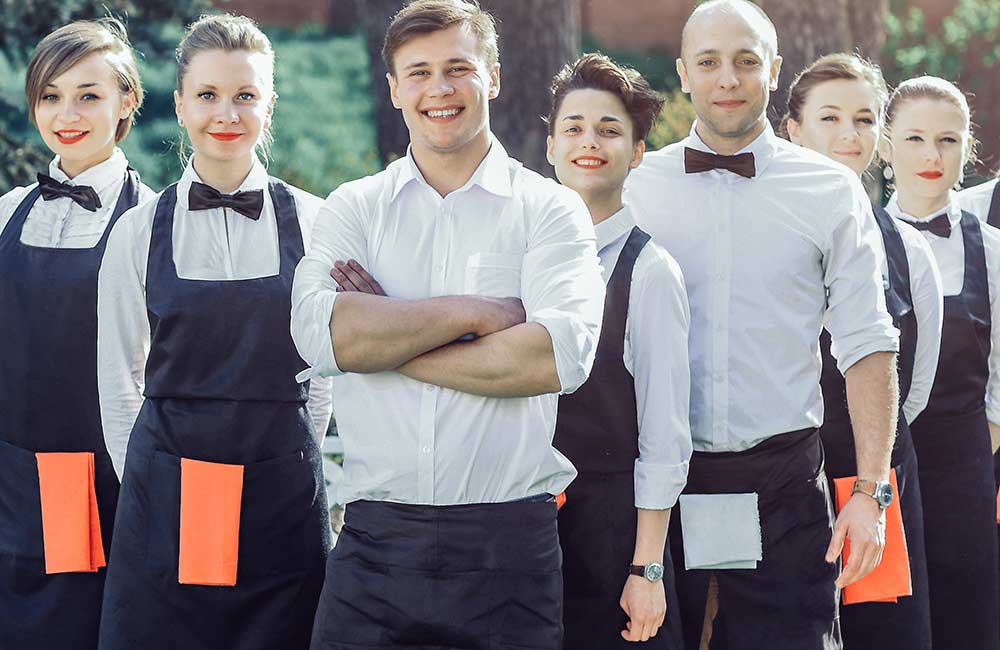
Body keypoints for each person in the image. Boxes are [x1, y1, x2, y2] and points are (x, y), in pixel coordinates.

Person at [291, 1, 605, 648]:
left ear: (492, 75)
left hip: (509, 553)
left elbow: (554, 360)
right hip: (373, 547)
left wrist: (386, 340)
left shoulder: (550, 211)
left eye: (458, 68)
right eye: (419, 72)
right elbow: (320, 337)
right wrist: (476, 315)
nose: (439, 88)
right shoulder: (354, 207)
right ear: (395, 88)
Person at [624, 2, 901, 648]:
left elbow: (867, 345)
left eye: (747, 61)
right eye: (710, 62)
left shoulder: (832, 192)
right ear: (683, 75)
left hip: (786, 485)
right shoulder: (639, 187)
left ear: (774, 71)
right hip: (663, 482)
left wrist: (871, 492)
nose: (728, 78)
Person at [96, 14, 333, 650]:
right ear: (179, 104)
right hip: (169, 493)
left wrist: (291, 459)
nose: (226, 113)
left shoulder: (317, 225)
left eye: (245, 96)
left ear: (269, 104)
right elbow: (120, 386)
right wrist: (157, 490)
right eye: (207, 95)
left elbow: (324, 374)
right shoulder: (136, 232)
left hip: (280, 495)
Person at [782, 52, 943, 650]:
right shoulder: (759, 232)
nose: (850, 135)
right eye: (830, 118)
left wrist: (872, 466)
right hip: (780, 473)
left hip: (876, 477)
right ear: (793, 129)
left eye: (865, 120)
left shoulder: (908, 245)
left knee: (884, 635)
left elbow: (915, 381)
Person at [0, 19, 149, 650]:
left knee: (72, 630)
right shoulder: (7, 211)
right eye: (51, 95)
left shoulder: (152, 223)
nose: (68, 113)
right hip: (9, 475)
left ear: (126, 104)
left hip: (97, 480)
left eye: (89, 94)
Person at [543, 52, 690, 648]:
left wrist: (646, 570)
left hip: (611, 538)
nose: (589, 143)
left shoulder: (651, 272)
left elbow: (664, 437)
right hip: (521, 535)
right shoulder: (518, 259)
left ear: (636, 152)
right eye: (573, 128)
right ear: (549, 146)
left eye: (609, 131)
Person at [879, 75, 1000, 650]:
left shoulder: (994, 249)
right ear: (886, 145)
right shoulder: (856, 243)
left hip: (965, 464)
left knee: (966, 615)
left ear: (967, 148)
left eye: (948, 141)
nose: (932, 155)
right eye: (915, 139)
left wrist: (982, 442)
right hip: (878, 469)